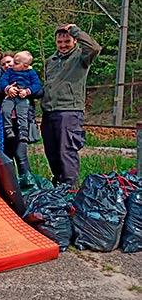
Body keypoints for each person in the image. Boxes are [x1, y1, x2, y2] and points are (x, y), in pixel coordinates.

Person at [41, 23, 102, 187]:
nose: (63, 45)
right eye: (60, 42)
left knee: (66, 151)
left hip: (69, 111)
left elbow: (95, 48)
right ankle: (59, 183)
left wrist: (75, 30)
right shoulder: (50, 61)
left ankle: (70, 189)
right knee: (51, 151)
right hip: (49, 111)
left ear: (74, 41)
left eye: (67, 41)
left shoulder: (81, 58)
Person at [0, 51, 43, 142]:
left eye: (16, 63)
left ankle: (23, 132)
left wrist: (27, 91)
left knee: (22, 114)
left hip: (22, 97)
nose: (12, 65)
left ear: (25, 65)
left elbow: (37, 85)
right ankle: (8, 129)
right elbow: (2, 81)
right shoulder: (10, 72)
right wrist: (8, 89)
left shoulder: (31, 73)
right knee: (6, 110)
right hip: (10, 96)